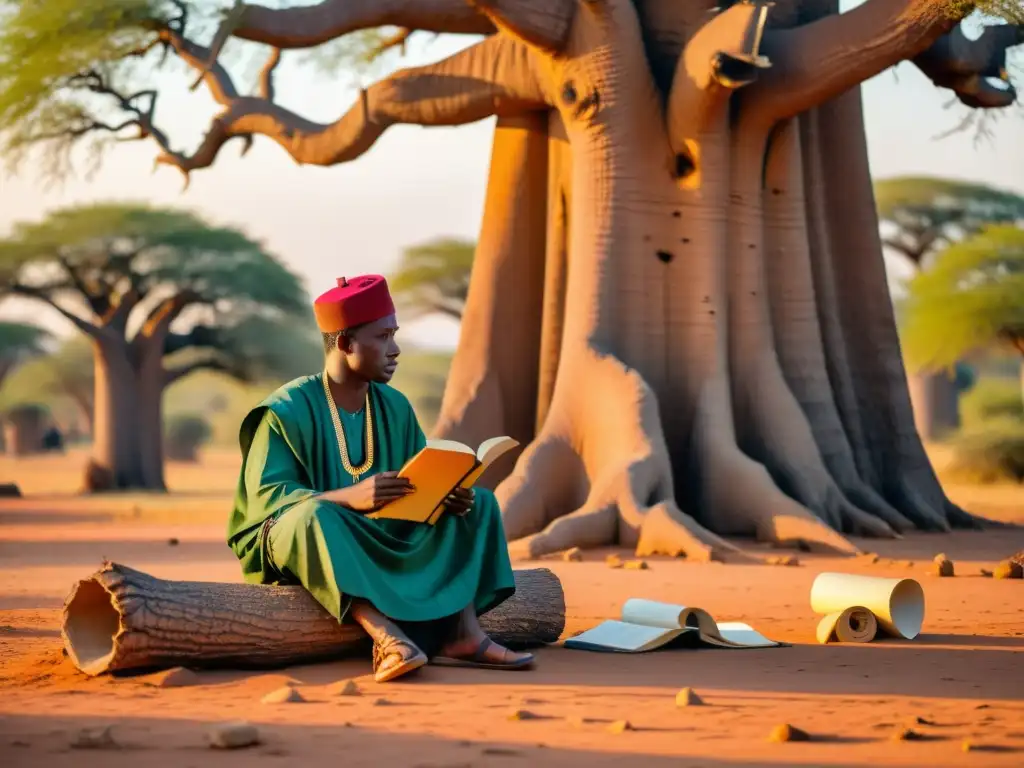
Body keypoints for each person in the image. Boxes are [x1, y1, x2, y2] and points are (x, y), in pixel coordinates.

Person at [227, 274, 533, 682]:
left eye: (395, 335)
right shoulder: (285, 410)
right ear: (345, 343)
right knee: (315, 516)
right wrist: (348, 496)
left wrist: (446, 496)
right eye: (383, 337)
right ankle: (387, 638)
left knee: (480, 506)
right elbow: (269, 500)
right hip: (304, 537)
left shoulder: (394, 406)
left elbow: (415, 484)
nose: (395, 350)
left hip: (385, 535)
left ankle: (464, 634)